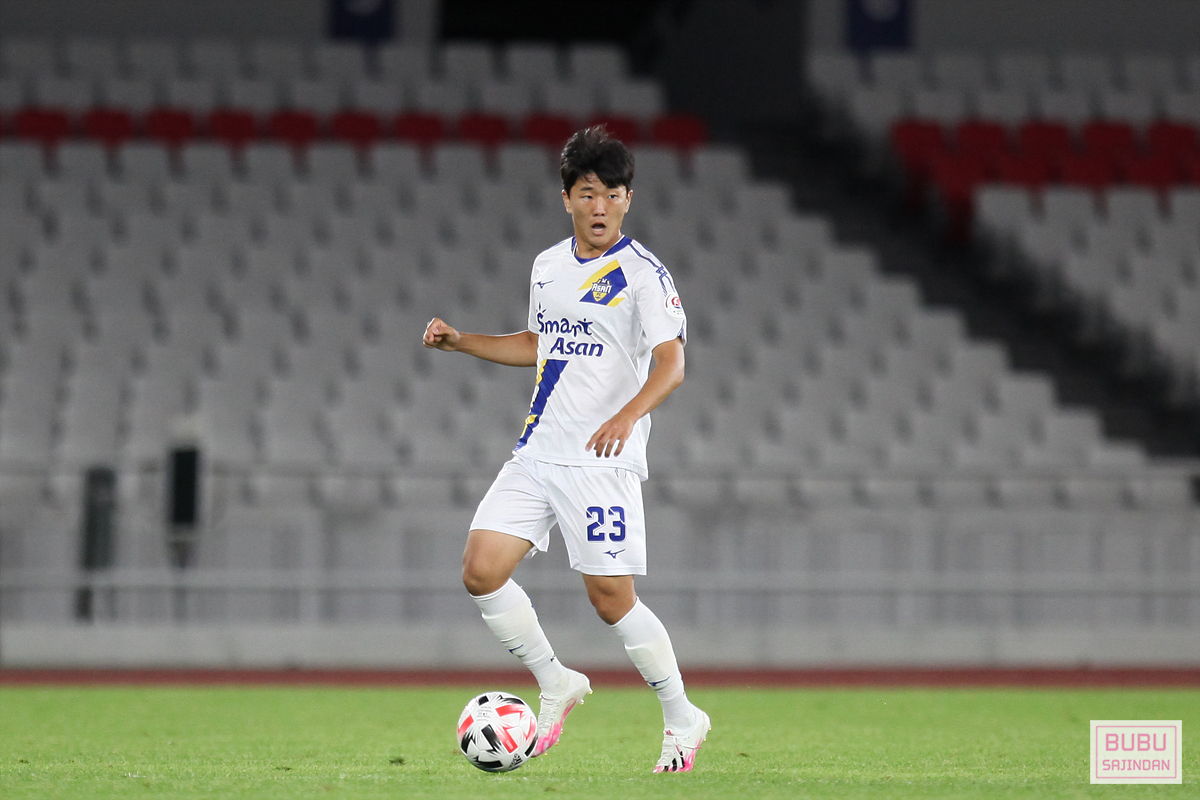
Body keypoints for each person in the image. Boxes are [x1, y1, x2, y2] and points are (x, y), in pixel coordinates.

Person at [422, 126, 709, 773]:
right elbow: (536, 344)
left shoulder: (643, 275)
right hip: (538, 450)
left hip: (600, 463)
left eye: (612, 194)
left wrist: (627, 415)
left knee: (610, 600)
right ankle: (556, 680)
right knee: (480, 569)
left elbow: (672, 364)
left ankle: (682, 716)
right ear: (566, 199)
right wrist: (462, 341)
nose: (599, 206)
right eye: (587, 193)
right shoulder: (548, 267)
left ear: (628, 199)